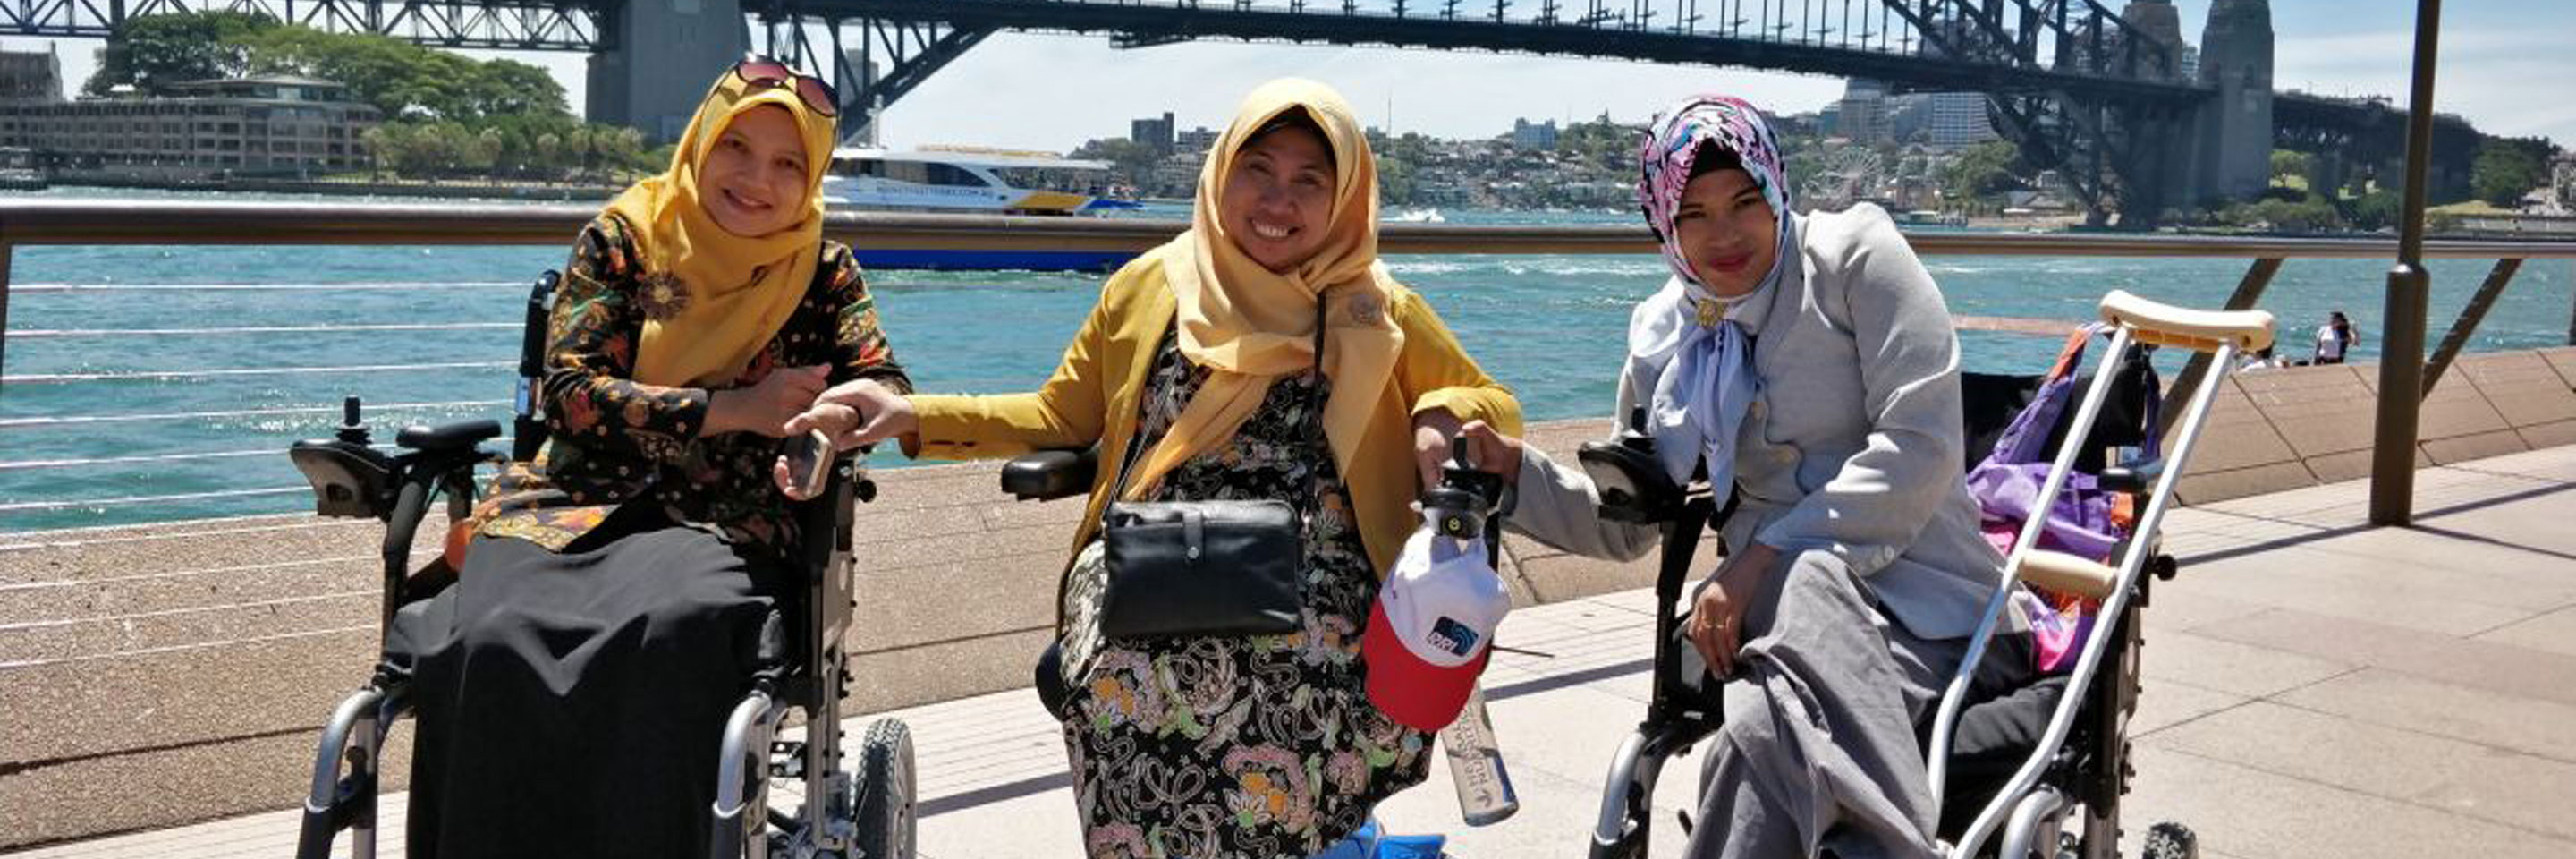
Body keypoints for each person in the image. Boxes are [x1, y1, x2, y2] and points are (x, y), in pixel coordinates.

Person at [810, 79, 1521, 859]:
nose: (1277, 199)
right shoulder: (1149, 288)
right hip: (1155, 547)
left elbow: (1484, 395)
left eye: (1308, 180)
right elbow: (1060, 417)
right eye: (1259, 169)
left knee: (1304, 669)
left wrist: (1440, 409)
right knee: (1124, 668)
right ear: (1222, 173)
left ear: (1345, 196)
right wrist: (914, 414)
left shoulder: (1375, 307)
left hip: (1320, 564)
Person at [1454, 95, 2033, 859]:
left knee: (1761, 715)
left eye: (1744, 202)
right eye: (1692, 213)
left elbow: (1922, 449)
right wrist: (1515, 473)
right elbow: (1631, 519)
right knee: (1770, 696)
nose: (1723, 234)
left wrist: (1763, 557)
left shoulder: (1855, 258)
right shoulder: (1669, 334)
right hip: (1773, 629)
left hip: (1932, 612)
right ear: (1664, 223)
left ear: (1777, 188)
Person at [394, 58, 909, 858]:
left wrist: (827, 423)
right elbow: (567, 389)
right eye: (736, 147)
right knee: (490, 636)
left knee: (671, 634)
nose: (756, 180)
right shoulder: (624, 242)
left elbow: (880, 381)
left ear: (811, 180)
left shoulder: (824, 272)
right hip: (568, 504)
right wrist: (733, 409)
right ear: (700, 142)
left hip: (729, 522)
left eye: (787, 164)